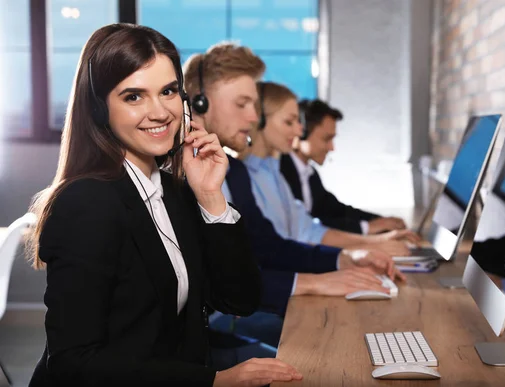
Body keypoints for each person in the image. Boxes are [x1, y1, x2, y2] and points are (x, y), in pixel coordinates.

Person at [27, 24, 301, 387]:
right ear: (99, 109)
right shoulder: (86, 203)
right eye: (134, 97)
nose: (159, 112)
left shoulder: (172, 190)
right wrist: (213, 381)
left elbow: (240, 299)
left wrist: (211, 199)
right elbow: (75, 363)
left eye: (168, 91)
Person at [181, 46, 405, 357]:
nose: (253, 117)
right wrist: (315, 282)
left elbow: (268, 245)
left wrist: (343, 260)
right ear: (199, 102)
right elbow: (215, 282)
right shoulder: (182, 176)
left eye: (255, 106)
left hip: (225, 320)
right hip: (213, 330)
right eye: (242, 103)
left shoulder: (233, 171)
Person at [244, 82, 418, 252]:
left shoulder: (276, 173)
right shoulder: (250, 176)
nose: (298, 131)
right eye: (289, 122)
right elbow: (279, 248)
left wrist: (378, 238)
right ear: (259, 121)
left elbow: (311, 228)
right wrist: (370, 243)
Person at [280, 98, 407, 235]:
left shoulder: (310, 175)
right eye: (326, 139)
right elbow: (307, 225)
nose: (332, 147)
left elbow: (337, 210)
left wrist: (380, 221)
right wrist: (367, 227)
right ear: (301, 133)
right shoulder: (281, 171)